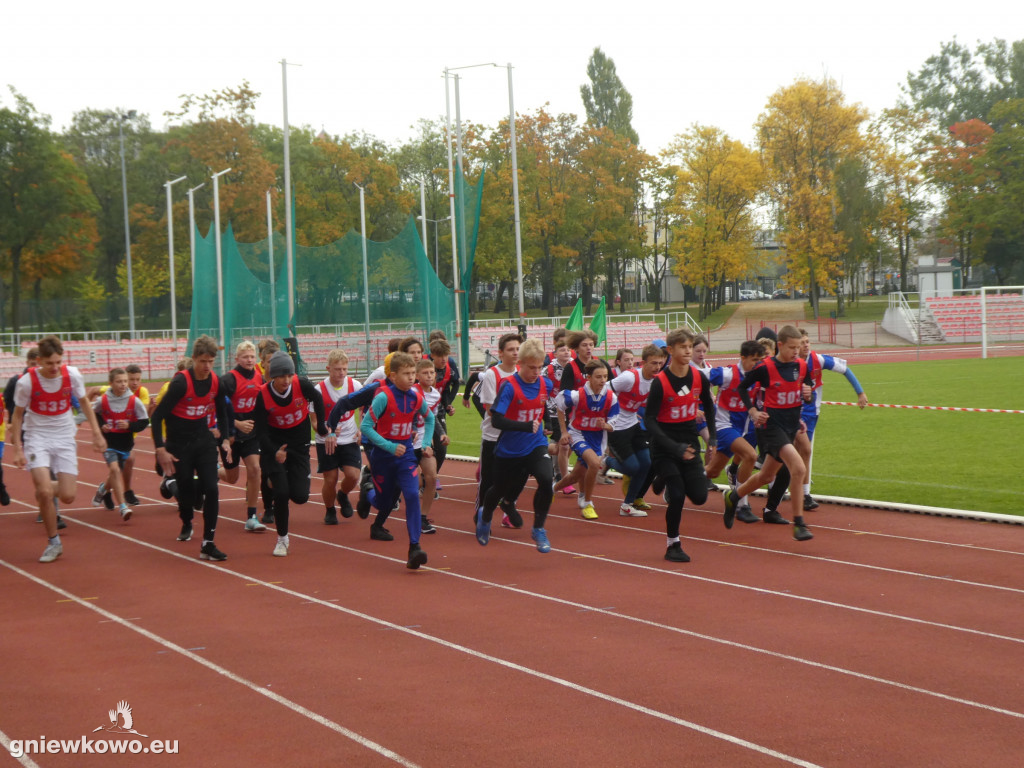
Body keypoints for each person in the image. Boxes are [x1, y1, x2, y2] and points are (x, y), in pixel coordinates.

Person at [8, 335, 107, 563]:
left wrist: (96, 433)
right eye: (49, 363)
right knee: (43, 492)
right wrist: (17, 449)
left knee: (68, 496)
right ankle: (53, 542)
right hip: (37, 436)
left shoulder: (72, 375)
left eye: (58, 362)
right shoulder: (27, 382)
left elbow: (84, 403)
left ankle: (45, 487)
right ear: (39, 361)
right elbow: (18, 415)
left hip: (63, 435)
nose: (54, 367)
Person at [724, 325, 815, 542]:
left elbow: (807, 390)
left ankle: (734, 495)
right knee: (798, 467)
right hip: (771, 427)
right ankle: (799, 523)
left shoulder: (801, 366)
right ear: (780, 345)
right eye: (792, 347)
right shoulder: (765, 367)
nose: (796, 351)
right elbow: (743, 387)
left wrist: (808, 394)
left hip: (791, 426)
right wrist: (753, 410)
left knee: (766, 476)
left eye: (799, 347)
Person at [151, 335, 232, 561]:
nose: (207, 366)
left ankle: (208, 542)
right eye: (202, 361)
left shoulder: (216, 382)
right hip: (179, 446)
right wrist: (161, 448)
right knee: (187, 495)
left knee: (212, 489)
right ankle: (186, 519)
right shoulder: (180, 384)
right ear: (194, 359)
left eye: (211, 361)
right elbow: (157, 417)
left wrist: (225, 438)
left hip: (203, 443)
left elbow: (223, 412)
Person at [644, 328, 717, 563]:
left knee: (699, 497)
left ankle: (662, 478)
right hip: (664, 447)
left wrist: (713, 437)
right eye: (683, 347)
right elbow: (649, 421)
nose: (688, 351)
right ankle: (673, 545)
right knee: (676, 495)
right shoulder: (660, 383)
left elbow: (709, 406)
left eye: (690, 346)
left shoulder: (698, 378)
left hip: (689, 443)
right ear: (670, 351)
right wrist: (672, 448)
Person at [356, 352, 435, 569]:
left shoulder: (415, 397)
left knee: (411, 494)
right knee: (383, 502)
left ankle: (414, 547)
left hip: (407, 457)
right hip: (383, 457)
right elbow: (365, 427)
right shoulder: (383, 397)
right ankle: (367, 490)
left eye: (413, 374)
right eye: (406, 374)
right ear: (392, 376)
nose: (412, 378)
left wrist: (426, 442)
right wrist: (389, 446)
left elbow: (430, 418)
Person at [474, 338, 554, 552]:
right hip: (510, 448)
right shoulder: (509, 386)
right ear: (520, 363)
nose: (536, 372)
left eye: (540, 367)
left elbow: (542, 404)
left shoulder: (545, 383)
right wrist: (525, 425)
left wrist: (548, 422)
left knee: (547, 481)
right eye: (531, 367)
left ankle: (538, 529)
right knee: (498, 489)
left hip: (536, 444)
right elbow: (496, 419)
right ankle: (485, 515)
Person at [253, 351, 331, 557]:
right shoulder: (262, 395)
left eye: (289, 375)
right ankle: (282, 539)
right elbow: (259, 432)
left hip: (299, 444)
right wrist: (274, 451)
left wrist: (321, 426)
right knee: (281, 493)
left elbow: (317, 398)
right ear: (272, 376)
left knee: (300, 496)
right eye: (281, 376)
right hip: (275, 445)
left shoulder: (301, 384)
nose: (286, 380)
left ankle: (277, 479)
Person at [797, 328, 868, 510]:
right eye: (802, 342)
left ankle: (803, 494)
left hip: (810, 412)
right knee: (788, 452)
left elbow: (845, 369)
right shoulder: (786, 362)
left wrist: (860, 392)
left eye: (807, 341)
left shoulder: (818, 360)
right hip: (788, 411)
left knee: (804, 452)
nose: (806, 345)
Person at [704, 340, 765, 524]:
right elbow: (697, 375)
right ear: (742, 357)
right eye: (753, 360)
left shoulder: (760, 376)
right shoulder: (727, 374)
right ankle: (740, 504)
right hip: (724, 426)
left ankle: (680, 478)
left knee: (713, 471)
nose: (757, 364)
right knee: (751, 456)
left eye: (760, 360)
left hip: (745, 429)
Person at [553, 359, 618, 519]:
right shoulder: (577, 395)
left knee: (576, 476)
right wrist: (563, 432)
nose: (603, 380)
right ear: (588, 377)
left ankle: (553, 488)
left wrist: (605, 425)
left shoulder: (611, 397)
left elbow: (614, 424)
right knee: (595, 464)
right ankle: (587, 502)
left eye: (605, 376)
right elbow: (560, 406)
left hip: (598, 438)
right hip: (578, 434)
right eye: (598, 377)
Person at [607, 343, 665, 517]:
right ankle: (606, 462)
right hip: (616, 427)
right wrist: (610, 414)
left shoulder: (656, 381)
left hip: (633, 424)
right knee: (632, 468)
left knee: (646, 463)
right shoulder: (629, 378)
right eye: (653, 363)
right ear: (644, 362)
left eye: (660, 363)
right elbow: (605, 389)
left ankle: (627, 504)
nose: (657, 367)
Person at [218, 341, 267, 532]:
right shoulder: (228, 380)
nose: (249, 360)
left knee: (255, 469)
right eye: (245, 356)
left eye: (252, 356)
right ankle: (216, 471)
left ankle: (252, 516)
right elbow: (219, 410)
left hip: (250, 435)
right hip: (230, 434)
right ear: (237, 358)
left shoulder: (260, 379)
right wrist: (236, 424)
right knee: (232, 478)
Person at [91, 367, 150, 521]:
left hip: (126, 444)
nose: (123, 384)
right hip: (109, 442)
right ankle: (123, 507)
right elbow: (93, 414)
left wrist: (130, 425)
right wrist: (102, 424)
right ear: (111, 383)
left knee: (115, 473)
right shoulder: (103, 400)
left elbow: (144, 422)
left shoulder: (134, 401)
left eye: (125, 381)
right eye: (119, 382)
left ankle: (103, 489)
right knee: (115, 470)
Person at [475, 333, 521, 526]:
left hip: (517, 436)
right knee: (489, 481)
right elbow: (491, 409)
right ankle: (482, 516)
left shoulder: (522, 372)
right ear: (500, 353)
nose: (515, 353)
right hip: (494, 436)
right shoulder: (492, 374)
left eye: (518, 349)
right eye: (511, 349)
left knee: (516, 477)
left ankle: (507, 513)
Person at [316, 349, 362, 525]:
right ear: (328, 368)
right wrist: (327, 432)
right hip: (326, 440)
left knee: (352, 475)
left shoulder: (355, 386)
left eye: (344, 369)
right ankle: (329, 510)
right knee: (331, 478)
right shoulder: (319, 390)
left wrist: (362, 428)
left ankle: (342, 495)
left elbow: (365, 407)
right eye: (337, 369)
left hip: (349, 438)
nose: (341, 373)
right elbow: (314, 421)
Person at [413, 358, 446, 535]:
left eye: (432, 372)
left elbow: (431, 418)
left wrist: (440, 434)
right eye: (425, 373)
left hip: (424, 443)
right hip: (407, 442)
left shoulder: (435, 395)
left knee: (431, 477)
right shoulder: (411, 391)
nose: (429, 376)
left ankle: (423, 518)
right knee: (411, 483)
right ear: (417, 376)